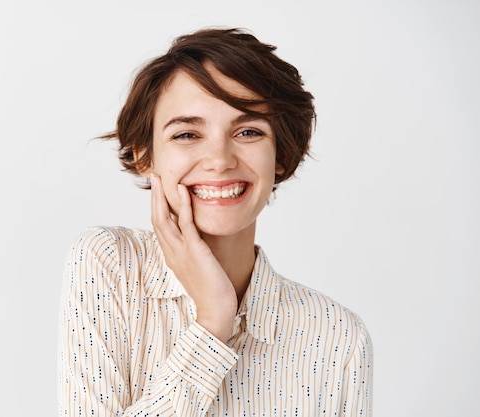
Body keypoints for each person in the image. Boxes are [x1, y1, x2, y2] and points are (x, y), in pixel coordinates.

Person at [58, 28, 372, 416]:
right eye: (187, 134)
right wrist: (212, 321)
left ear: (280, 155)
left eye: (248, 131)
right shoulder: (109, 264)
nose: (219, 159)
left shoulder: (337, 336)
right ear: (145, 156)